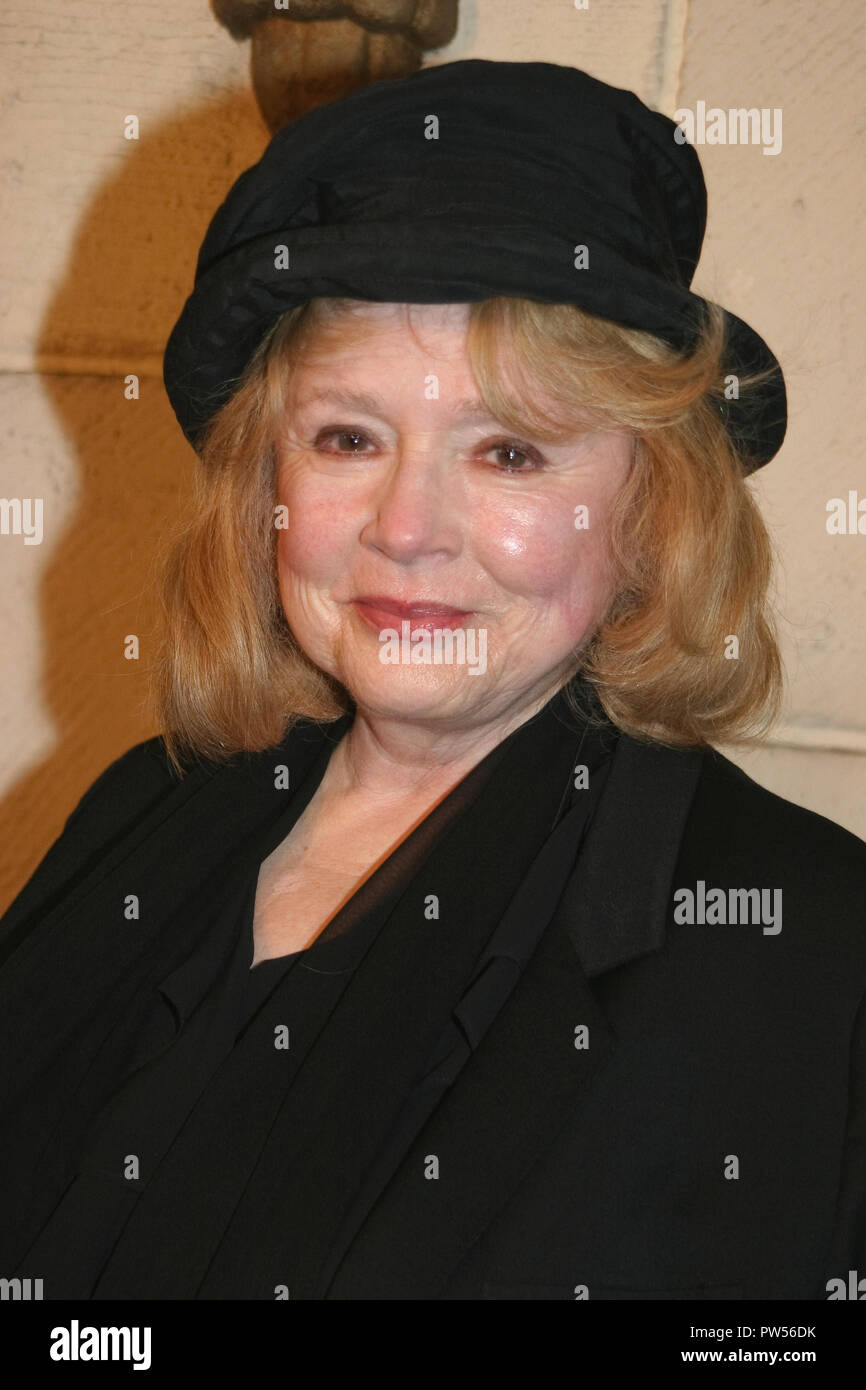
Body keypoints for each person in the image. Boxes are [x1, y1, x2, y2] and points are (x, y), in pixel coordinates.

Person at [0, 58, 863, 1302]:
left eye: (509, 450)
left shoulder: (810, 957)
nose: (407, 529)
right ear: (266, 488)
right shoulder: (144, 805)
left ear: (651, 512)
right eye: (348, 437)